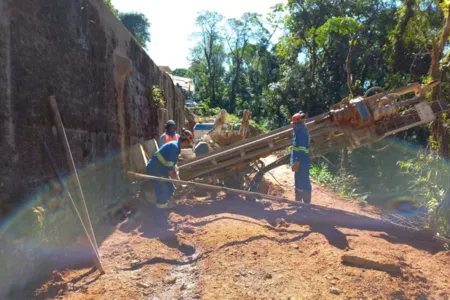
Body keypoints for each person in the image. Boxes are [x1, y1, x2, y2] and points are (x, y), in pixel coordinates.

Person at [147, 128, 194, 225]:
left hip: (161, 170)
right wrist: (178, 183)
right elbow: (170, 170)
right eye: (189, 143)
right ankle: (159, 219)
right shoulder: (174, 148)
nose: (188, 145)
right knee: (163, 192)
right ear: (185, 141)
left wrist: (176, 182)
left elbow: (172, 166)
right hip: (155, 170)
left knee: (170, 188)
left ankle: (164, 212)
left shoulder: (176, 147)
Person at [290, 111, 312, 203]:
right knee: (298, 180)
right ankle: (298, 201)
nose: (293, 125)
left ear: (297, 123)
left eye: (294, 123)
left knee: (304, 180)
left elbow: (302, 149)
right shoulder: (298, 132)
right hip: (299, 161)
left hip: (302, 161)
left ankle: (306, 203)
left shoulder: (302, 133)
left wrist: (297, 161)